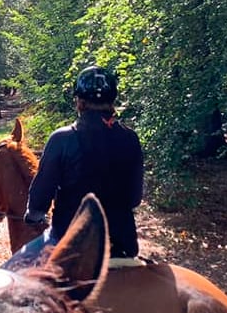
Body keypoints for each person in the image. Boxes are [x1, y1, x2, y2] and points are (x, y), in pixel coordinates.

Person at [11, 65, 144, 266]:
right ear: (113, 102)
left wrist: (34, 214)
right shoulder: (130, 138)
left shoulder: (61, 139)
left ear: (79, 102)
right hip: (122, 244)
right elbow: (134, 199)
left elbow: (41, 195)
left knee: (11, 269)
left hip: (68, 242)